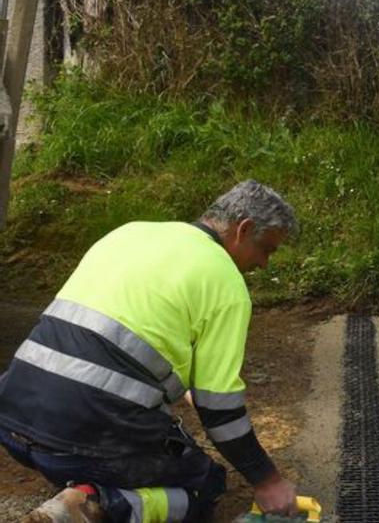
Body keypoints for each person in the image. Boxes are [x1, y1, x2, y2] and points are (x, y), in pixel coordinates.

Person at [0, 180, 301, 522]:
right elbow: (221, 410)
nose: (264, 264)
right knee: (204, 484)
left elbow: (108, 334)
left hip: (14, 421)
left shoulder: (130, 234)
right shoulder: (225, 282)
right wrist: (267, 481)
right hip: (78, 440)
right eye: (266, 250)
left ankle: (84, 477)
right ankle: (91, 503)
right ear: (243, 229)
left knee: (93, 447)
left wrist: (189, 388)